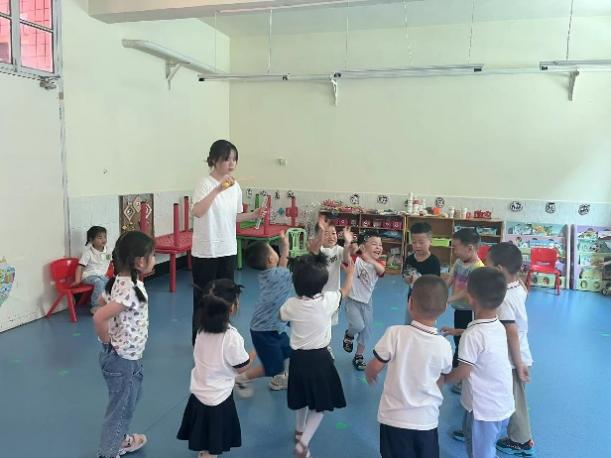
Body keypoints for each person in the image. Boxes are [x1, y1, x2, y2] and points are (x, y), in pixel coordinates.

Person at [365, 275, 453, 458]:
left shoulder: (395, 333)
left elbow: (375, 366)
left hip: (394, 418)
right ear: (445, 308)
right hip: (426, 420)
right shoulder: (444, 345)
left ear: (410, 303)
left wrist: (370, 373)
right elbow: (441, 379)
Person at [279, 253, 354, 458]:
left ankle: (298, 430)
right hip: (320, 360)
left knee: (302, 398)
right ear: (322, 284)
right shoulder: (328, 301)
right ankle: (303, 444)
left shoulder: (291, 304)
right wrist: (350, 273)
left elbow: (281, 316)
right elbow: (345, 290)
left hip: (297, 360)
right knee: (320, 406)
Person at [190, 139, 264, 344]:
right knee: (204, 297)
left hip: (227, 249)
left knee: (226, 297)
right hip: (206, 251)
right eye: (226, 159)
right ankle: (200, 338)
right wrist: (218, 190)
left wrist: (253, 214)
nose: (232, 163)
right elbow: (197, 212)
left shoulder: (235, 186)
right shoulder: (205, 183)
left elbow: (233, 217)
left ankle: (220, 334)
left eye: (234, 159)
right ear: (214, 160)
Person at [93, 231, 155, 458]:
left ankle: (118, 440)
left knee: (130, 399)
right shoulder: (132, 291)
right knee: (120, 410)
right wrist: (107, 342)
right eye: (152, 255)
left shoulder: (118, 280)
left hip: (128, 356)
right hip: (122, 359)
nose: (154, 259)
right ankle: (108, 452)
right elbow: (99, 316)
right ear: (140, 261)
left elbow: (100, 301)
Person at [442, 268, 515, 458]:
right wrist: (458, 331)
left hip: (483, 410)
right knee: (483, 445)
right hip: (501, 404)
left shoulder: (473, 335)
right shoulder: (497, 325)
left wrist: (444, 379)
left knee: (479, 451)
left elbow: (464, 371)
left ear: (470, 298)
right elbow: (481, 340)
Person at [177, 280, 252, 457]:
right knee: (213, 442)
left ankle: (204, 452)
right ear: (232, 308)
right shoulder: (231, 338)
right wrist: (255, 353)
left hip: (199, 395)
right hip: (219, 400)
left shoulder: (201, 331)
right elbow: (242, 367)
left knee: (204, 434)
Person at [486, 243, 536, 457]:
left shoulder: (504, 297)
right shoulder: (518, 286)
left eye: (487, 265)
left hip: (513, 358)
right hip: (517, 355)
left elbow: (511, 332)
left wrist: (518, 363)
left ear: (499, 269)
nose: (484, 267)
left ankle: (521, 441)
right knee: (509, 395)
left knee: (515, 399)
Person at [234, 232, 293, 397]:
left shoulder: (270, 274)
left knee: (287, 351)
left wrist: (285, 246)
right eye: (273, 250)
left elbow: (283, 265)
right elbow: (297, 273)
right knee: (272, 367)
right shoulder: (279, 277)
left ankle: (278, 378)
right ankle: (242, 378)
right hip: (265, 331)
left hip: (274, 327)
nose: (276, 252)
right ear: (270, 259)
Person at [446, 228, 484, 393]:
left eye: (456, 247)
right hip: (459, 309)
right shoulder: (459, 262)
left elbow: (467, 290)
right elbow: (450, 279)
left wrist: (448, 299)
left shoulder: (478, 268)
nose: (454, 251)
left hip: (470, 311)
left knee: (465, 342)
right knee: (458, 339)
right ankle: (457, 369)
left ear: (469, 248)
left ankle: (462, 377)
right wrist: (441, 292)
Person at [341, 231, 385, 370]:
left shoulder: (379, 263)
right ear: (363, 247)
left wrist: (366, 256)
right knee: (357, 326)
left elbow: (381, 270)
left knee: (366, 331)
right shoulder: (356, 260)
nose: (378, 247)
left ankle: (358, 356)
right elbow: (345, 258)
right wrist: (347, 244)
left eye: (380, 245)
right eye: (374, 244)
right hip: (352, 300)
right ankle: (349, 335)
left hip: (367, 302)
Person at [403, 222, 441, 323]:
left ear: (430, 241)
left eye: (421, 242)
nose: (417, 246)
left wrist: (419, 281)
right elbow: (405, 276)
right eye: (414, 242)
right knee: (409, 325)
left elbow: (435, 285)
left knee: (425, 327)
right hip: (412, 300)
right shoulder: (409, 259)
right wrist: (407, 279)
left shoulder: (434, 261)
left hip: (428, 303)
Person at [73, 226, 111, 313]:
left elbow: (108, 262)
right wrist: (77, 280)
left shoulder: (107, 251)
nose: (103, 239)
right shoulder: (88, 253)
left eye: (105, 237)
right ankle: (96, 306)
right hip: (88, 276)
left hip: (101, 275)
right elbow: (80, 266)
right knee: (99, 283)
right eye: (100, 237)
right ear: (91, 240)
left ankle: (106, 302)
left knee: (109, 283)